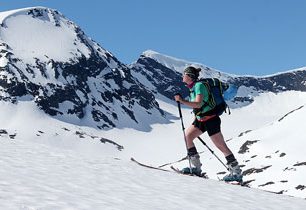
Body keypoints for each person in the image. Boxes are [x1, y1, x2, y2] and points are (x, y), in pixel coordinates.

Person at [174, 66, 242, 182]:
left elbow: (198, 104)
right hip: (201, 119)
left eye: (184, 74)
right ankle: (196, 168)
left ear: (189, 76)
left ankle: (236, 173)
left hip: (211, 120)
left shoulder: (199, 86)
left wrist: (182, 101)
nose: (182, 76)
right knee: (188, 137)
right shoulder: (193, 87)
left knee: (221, 146)